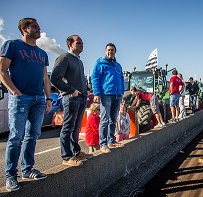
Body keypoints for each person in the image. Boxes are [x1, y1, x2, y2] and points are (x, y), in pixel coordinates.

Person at [0, 18, 52, 191]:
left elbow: (46, 78)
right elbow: (2, 70)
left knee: (33, 135)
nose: (39, 29)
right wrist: (15, 91)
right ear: (24, 29)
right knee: (16, 137)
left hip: (38, 99)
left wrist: (48, 98)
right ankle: (10, 176)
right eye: (35, 27)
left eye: (39, 26)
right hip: (21, 98)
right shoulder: (12, 45)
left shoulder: (42, 53)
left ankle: (27, 169)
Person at [51, 35, 92, 167]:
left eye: (82, 42)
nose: (81, 45)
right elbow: (55, 78)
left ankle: (76, 152)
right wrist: (71, 90)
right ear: (70, 44)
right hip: (71, 98)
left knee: (76, 128)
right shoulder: (64, 58)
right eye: (78, 42)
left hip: (81, 98)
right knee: (68, 127)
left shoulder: (79, 61)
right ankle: (67, 156)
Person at [91, 43, 124, 154]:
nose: (110, 52)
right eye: (108, 50)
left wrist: (122, 92)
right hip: (106, 94)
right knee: (104, 120)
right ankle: (103, 144)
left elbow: (121, 78)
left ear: (115, 52)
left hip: (117, 95)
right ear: (105, 51)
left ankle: (111, 140)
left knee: (113, 119)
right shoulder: (100, 63)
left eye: (112, 50)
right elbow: (95, 77)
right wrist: (96, 93)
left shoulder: (118, 65)